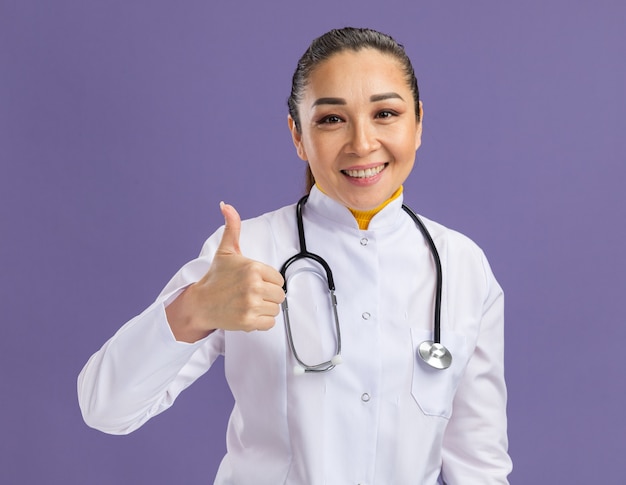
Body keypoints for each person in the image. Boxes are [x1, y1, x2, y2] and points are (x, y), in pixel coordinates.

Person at [78, 27, 512, 484]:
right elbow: (105, 409)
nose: (362, 143)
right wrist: (194, 308)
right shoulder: (247, 253)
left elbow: (479, 466)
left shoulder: (462, 266)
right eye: (331, 119)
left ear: (418, 123)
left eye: (385, 113)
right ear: (297, 135)